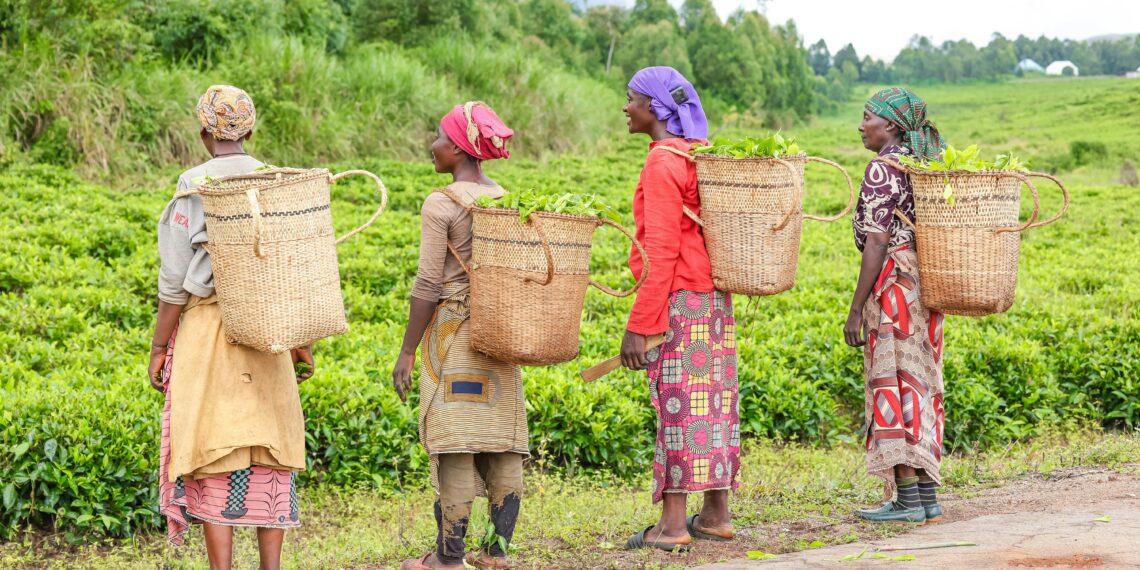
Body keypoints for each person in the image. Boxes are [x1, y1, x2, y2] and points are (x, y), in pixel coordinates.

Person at [147, 85, 314, 569]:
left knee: (211, 444)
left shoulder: (192, 184)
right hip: (269, 329)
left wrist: (159, 346)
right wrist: (300, 341)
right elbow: (293, 265)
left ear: (204, 133)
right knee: (270, 444)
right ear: (251, 130)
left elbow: (175, 281)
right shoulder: (273, 179)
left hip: (209, 331)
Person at [391, 102, 527, 570]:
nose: (432, 146)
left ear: (457, 148)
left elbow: (428, 283)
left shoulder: (441, 203)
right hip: (501, 336)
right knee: (501, 439)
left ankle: (449, 560)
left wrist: (407, 351)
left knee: (455, 441)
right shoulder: (504, 196)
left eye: (438, 138)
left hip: (454, 338)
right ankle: (497, 553)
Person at [619, 67, 739, 552]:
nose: (625, 109)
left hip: (680, 303)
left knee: (676, 408)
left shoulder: (662, 163)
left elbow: (661, 251)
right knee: (713, 406)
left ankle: (671, 527)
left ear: (653, 107)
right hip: (713, 303)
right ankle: (716, 513)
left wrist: (640, 324)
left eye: (631, 99)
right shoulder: (697, 156)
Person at [845, 87, 947, 524]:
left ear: (889, 125)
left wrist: (855, 307)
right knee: (918, 384)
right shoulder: (919, 164)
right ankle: (925, 497)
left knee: (893, 381)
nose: (862, 125)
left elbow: (877, 242)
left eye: (867, 117)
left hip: (894, 289)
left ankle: (907, 499)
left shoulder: (883, 169)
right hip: (924, 285)